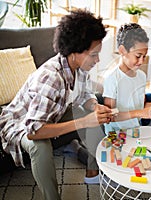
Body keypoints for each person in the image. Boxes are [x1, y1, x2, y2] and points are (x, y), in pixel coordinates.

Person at [0, 10, 112, 200]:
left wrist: (94, 106)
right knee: (40, 146)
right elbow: (33, 131)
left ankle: (92, 172)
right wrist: (83, 122)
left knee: (97, 113)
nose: (97, 60)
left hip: (53, 113)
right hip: (21, 122)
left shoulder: (80, 67)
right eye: (93, 55)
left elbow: (84, 95)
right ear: (74, 51)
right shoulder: (51, 78)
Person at [103, 23, 151, 132]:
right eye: (138, 56)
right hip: (116, 135)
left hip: (135, 131)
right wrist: (139, 113)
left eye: (144, 56)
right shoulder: (112, 79)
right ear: (122, 50)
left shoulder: (141, 76)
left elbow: (141, 106)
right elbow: (109, 116)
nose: (142, 61)